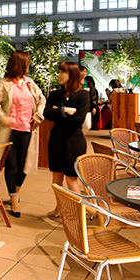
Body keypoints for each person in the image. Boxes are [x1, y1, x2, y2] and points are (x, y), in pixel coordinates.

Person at [0, 51, 45, 218]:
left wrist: (38, 116)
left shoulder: (29, 83)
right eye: (26, 64)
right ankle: (13, 198)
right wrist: (3, 118)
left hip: (27, 130)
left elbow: (42, 100)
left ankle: (17, 191)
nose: (28, 67)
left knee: (23, 165)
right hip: (10, 131)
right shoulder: (4, 84)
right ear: (19, 65)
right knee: (11, 165)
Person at [44, 61, 90, 200]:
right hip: (56, 140)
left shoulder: (83, 95)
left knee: (71, 179)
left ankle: (79, 213)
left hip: (74, 141)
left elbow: (77, 120)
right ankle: (61, 209)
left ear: (72, 75)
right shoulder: (55, 94)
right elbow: (46, 113)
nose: (59, 75)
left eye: (62, 72)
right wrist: (65, 111)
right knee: (56, 179)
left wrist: (57, 111)